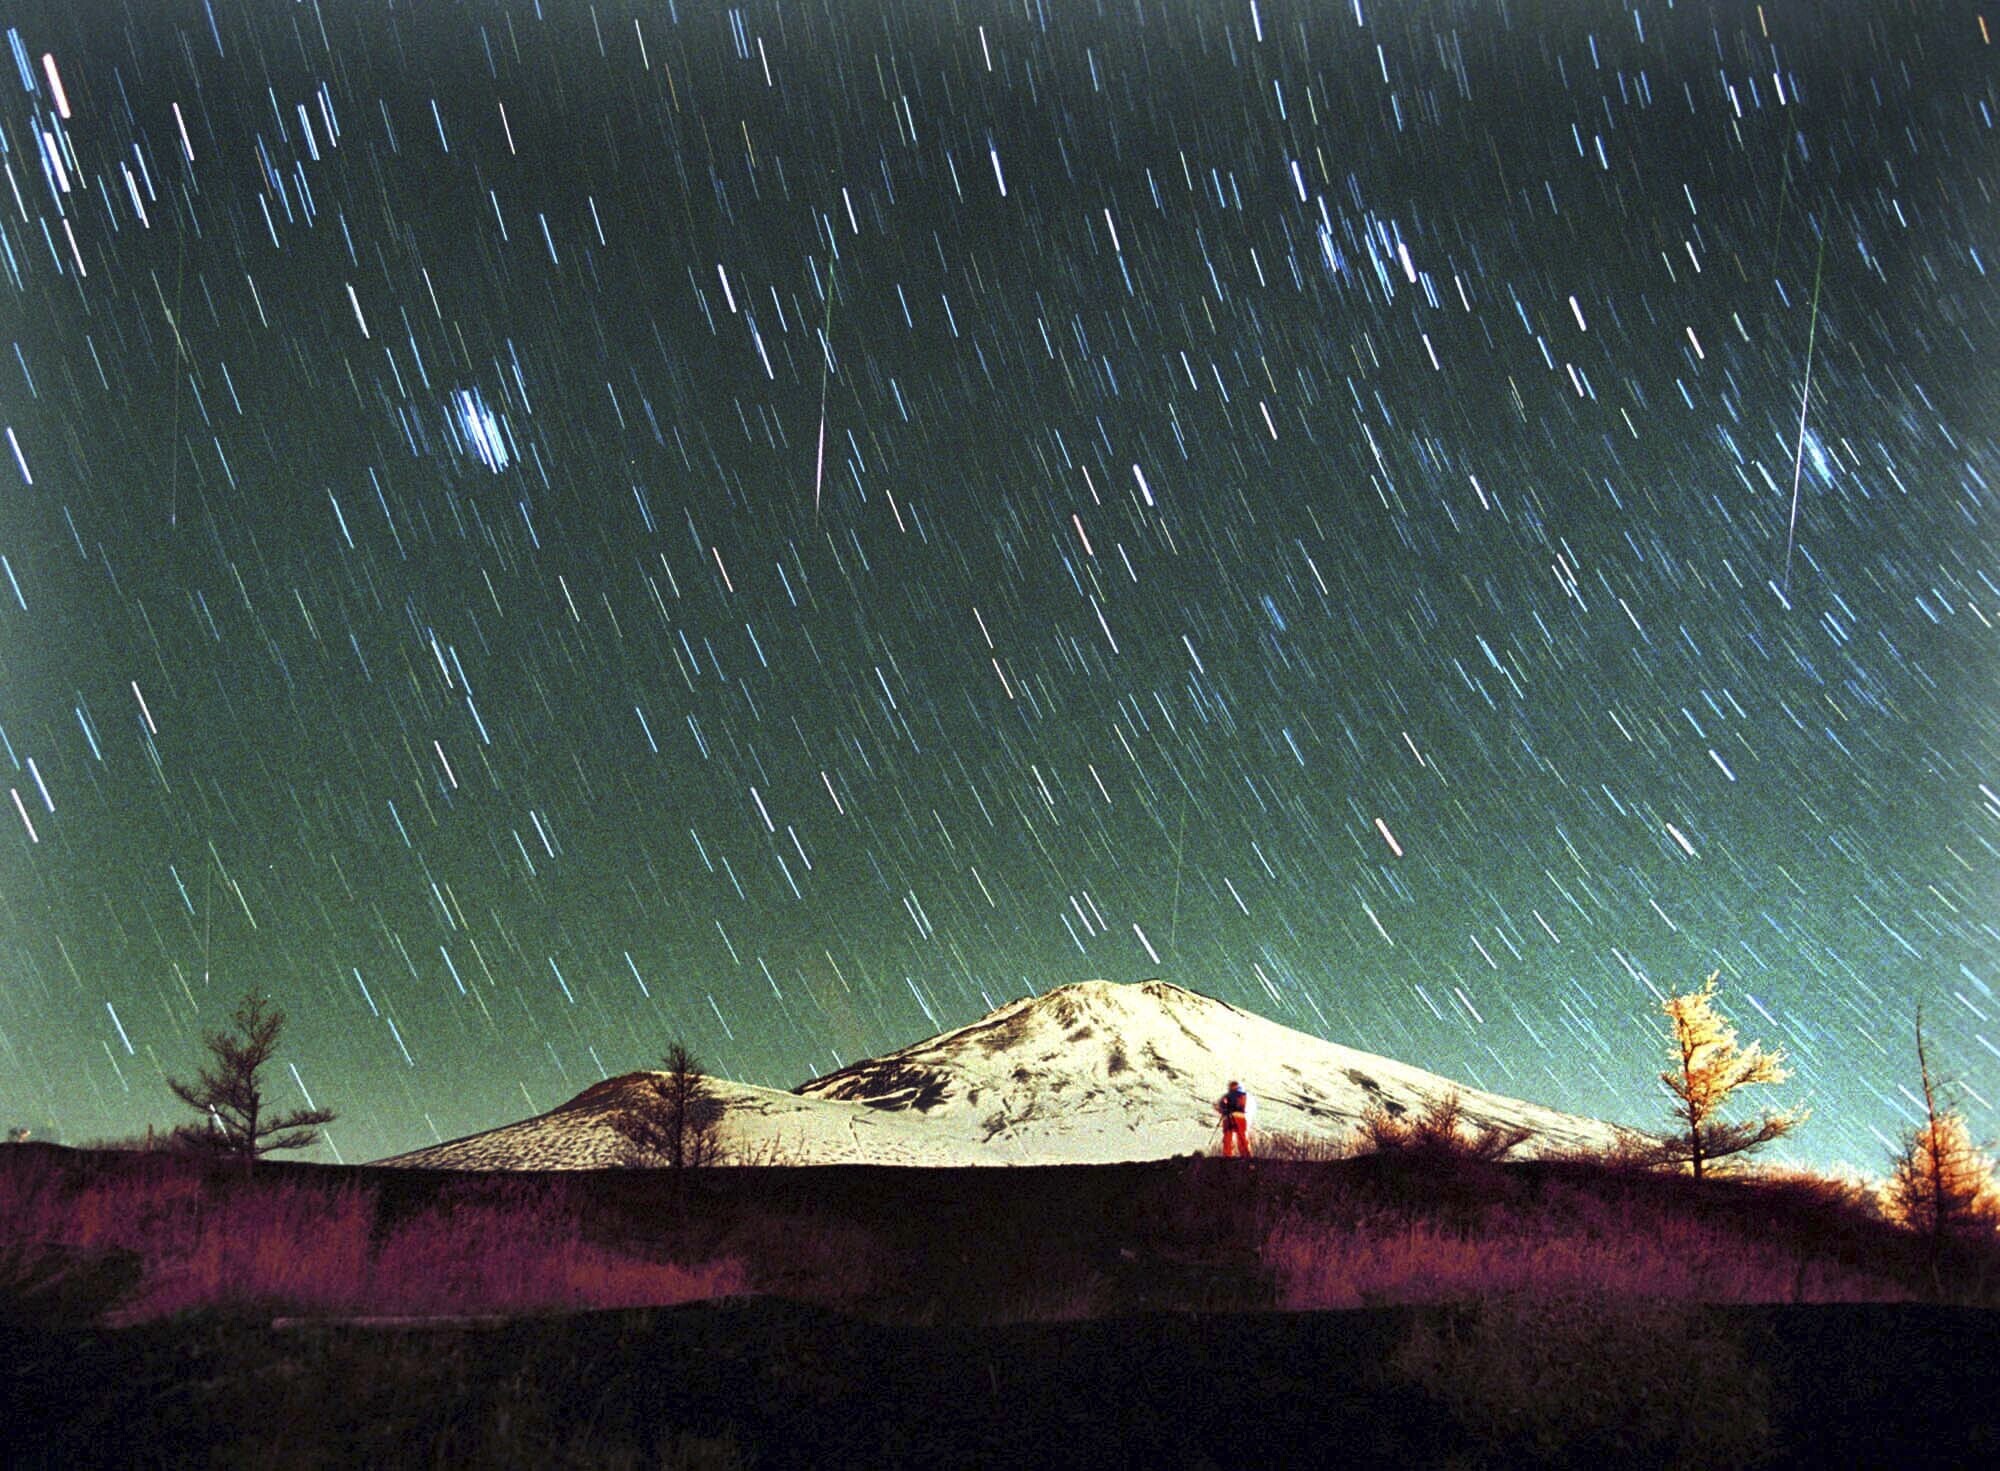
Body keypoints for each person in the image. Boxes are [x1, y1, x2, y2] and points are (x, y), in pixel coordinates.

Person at [1215, 1080, 1252, 1158]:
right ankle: (1244, 1155)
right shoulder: (1241, 1095)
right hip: (1237, 1117)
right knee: (1239, 1137)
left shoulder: (1228, 1096)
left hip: (1232, 1117)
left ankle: (1229, 1155)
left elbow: (1220, 1106)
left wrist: (1224, 1109)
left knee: (1232, 1137)